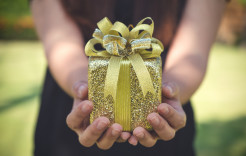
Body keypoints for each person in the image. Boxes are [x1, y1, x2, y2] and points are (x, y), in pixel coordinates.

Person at [30, 0, 227, 155]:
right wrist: (84, 89)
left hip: (162, 113)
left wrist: (169, 91)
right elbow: (60, 44)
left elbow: (192, 54)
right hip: (72, 113)